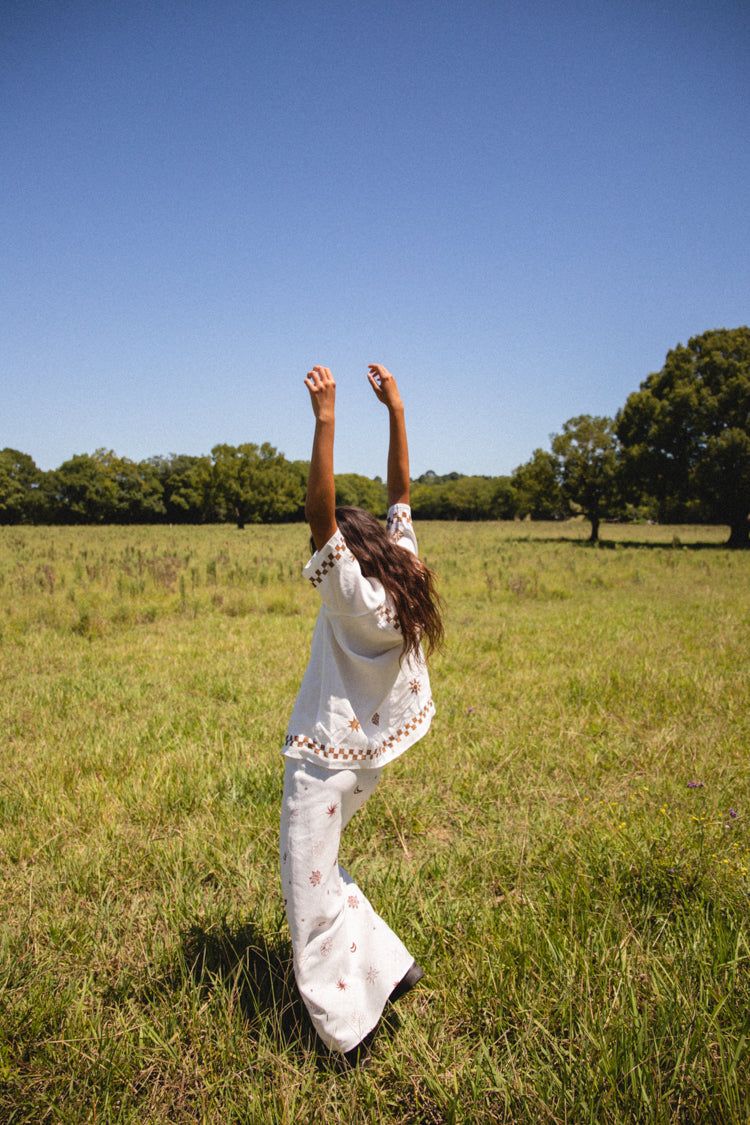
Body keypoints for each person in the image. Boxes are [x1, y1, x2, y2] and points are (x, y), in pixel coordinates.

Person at [279, 363, 444, 1065]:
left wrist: (326, 420)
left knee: (308, 901)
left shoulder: (347, 589)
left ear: (341, 550)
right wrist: (396, 410)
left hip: (321, 764)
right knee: (324, 873)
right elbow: (400, 492)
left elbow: (321, 516)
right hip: (366, 765)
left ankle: (346, 1032)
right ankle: (389, 966)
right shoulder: (401, 570)